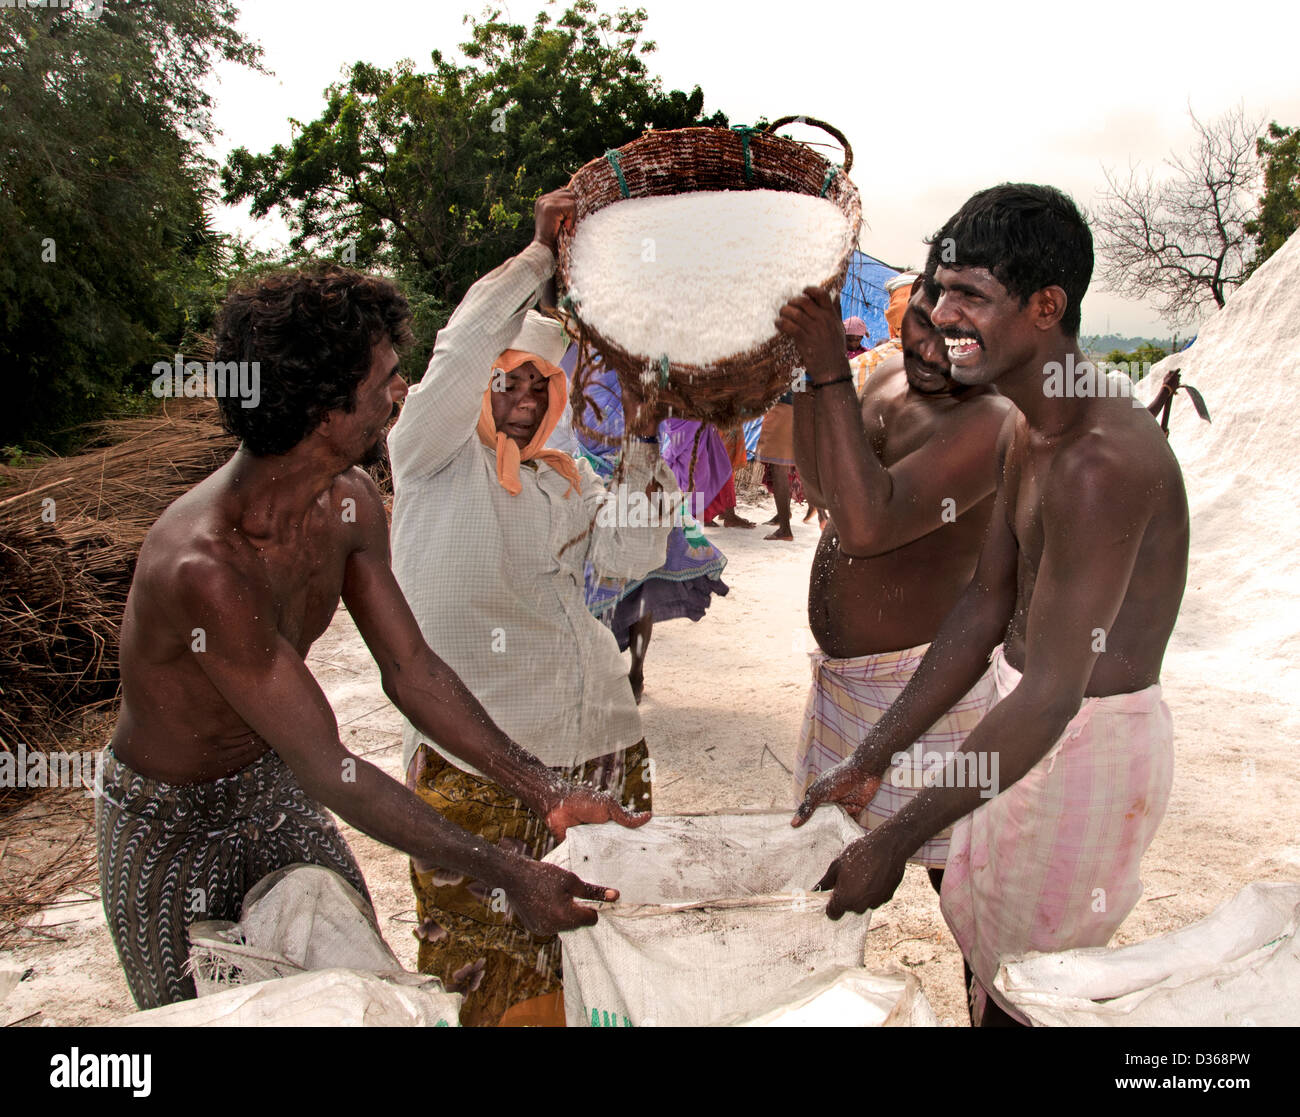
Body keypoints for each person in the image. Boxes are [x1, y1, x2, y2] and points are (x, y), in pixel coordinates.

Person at [96, 233, 644, 1011]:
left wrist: (540, 785)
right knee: (206, 1013)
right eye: (387, 380)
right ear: (327, 407)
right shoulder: (206, 568)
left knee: (364, 995)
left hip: (270, 788)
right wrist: (508, 868)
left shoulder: (349, 501)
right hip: (168, 821)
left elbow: (411, 669)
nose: (402, 391)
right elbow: (330, 764)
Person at [791, 184, 1189, 1026]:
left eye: (969, 294)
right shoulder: (1027, 426)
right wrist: (873, 757)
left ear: (1047, 305)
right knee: (995, 976)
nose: (940, 313)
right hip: (1029, 721)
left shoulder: (1097, 459)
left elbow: (1053, 692)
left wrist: (893, 839)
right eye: (936, 290)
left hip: (1084, 743)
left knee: (1028, 997)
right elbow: (983, 606)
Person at [387, 189, 679, 1026]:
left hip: (601, 749)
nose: (521, 396)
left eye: (538, 383)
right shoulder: (431, 458)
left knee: (599, 954)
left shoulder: (562, 474)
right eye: (505, 381)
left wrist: (642, 441)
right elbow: (457, 349)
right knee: (484, 971)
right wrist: (538, 257)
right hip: (480, 769)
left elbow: (631, 557)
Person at [789, 276, 1010, 882]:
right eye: (925, 324)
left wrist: (832, 370)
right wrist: (809, 375)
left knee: (959, 880)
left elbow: (866, 528)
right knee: (827, 863)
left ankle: (986, 979)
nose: (935, 352)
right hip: (844, 684)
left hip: (929, 690)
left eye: (960, 338)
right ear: (910, 308)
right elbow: (826, 487)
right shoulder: (887, 378)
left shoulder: (992, 419)